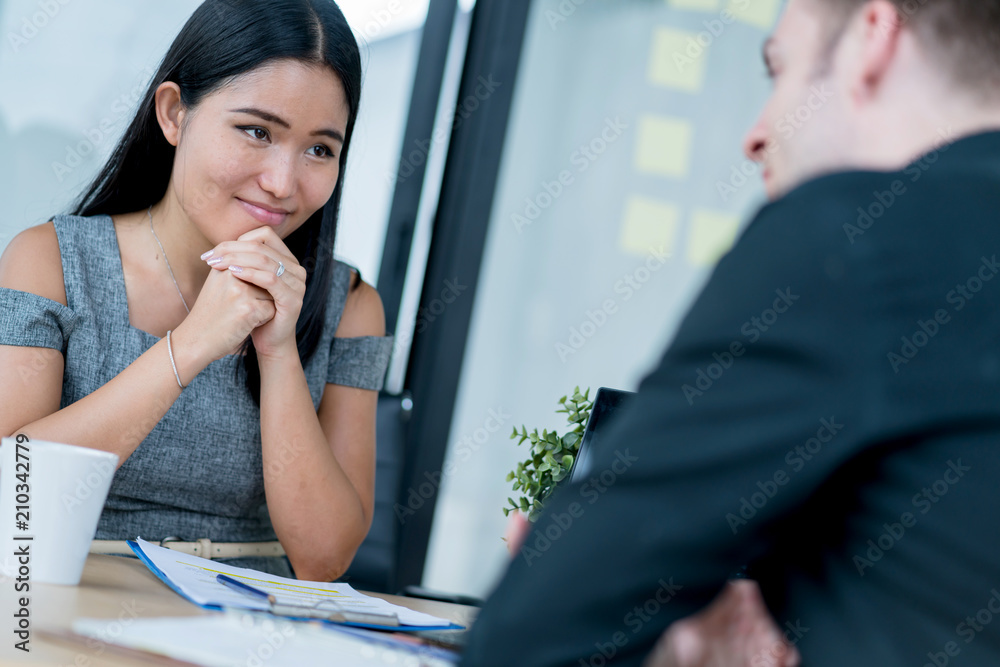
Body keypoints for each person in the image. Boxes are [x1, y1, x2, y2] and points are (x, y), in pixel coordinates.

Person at [461, 0, 1000, 664]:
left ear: (871, 41)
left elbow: (524, 643)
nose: (756, 133)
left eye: (782, 72)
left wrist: (668, 633)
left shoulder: (852, 238)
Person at [0, 0, 393, 582]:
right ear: (174, 113)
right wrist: (191, 345)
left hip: (250, 626)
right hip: (67, 598)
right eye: (257, 131)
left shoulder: (350, 306)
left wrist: (278, 351)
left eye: (320, 149)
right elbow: (15, 491)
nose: (283, 184)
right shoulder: (52, 261)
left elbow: (323, 558)